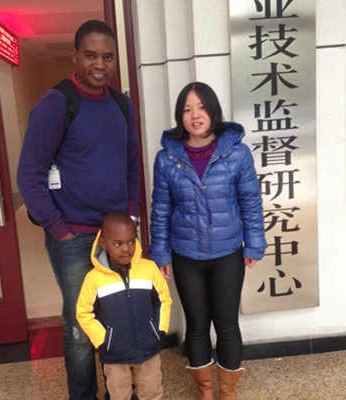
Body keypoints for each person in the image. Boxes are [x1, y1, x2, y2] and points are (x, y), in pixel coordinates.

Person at [17, 20, 141, 400]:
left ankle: (119, 392)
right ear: (75, 56)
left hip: (116, 238)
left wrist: (132, 216)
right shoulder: (56, 105)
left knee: (118, 317)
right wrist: (59, 229)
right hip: (73, 239)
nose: (100, 64)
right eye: (90, 55)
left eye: (107, 57)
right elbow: (29, 176)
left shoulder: (122, 105)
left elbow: (132, 166)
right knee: (80, 327)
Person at [149, 82, 267, 400]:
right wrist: (160, 252)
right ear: (180, 116)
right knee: (197, 325)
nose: (195, 115)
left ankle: (227, 391)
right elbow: (161, 209)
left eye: (201, 107)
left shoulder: (237, 153)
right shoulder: (167, 159)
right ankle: (205, 390)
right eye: (187, 109)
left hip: (227, 254)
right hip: (186, 255)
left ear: (213, 110)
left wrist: (255, 243)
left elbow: (250, 202)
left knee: (227, 325)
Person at [77, 211, 172, 400]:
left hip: (148, 350)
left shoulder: (148, 269)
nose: (126, 249)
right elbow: (84, 312)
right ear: (103, 243)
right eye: (118, 244)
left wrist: (158, 329)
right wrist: (104, 340)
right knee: (119, 395)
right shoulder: (94, 279)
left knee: (152, 392)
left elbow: (163, 299)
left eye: (131, 242)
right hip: (115, 355)